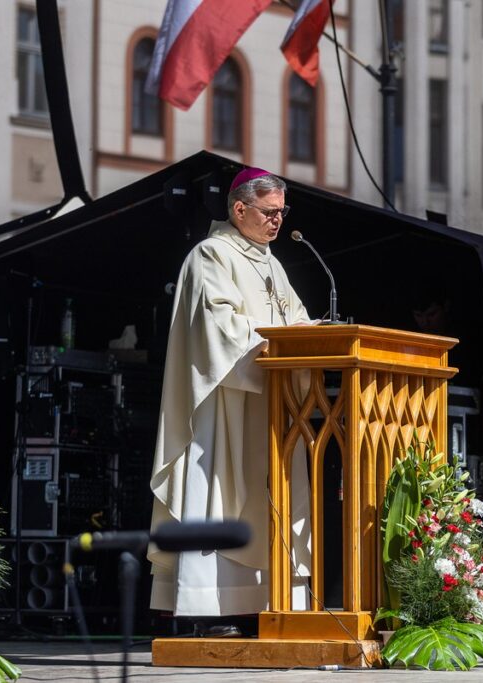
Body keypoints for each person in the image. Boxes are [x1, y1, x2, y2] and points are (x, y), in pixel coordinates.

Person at [148, 168, 313, 629]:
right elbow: (217, 329)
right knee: (219, 491)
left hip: (270, 404)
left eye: (283, 212)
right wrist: (277, 344)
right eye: (270, 212)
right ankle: (209, 605)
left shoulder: (272, 264)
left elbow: (296, 323)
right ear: (239, 209)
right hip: (224, 404)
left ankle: (268, 603)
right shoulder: (210, 255)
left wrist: (309, 339)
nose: (278, 221)